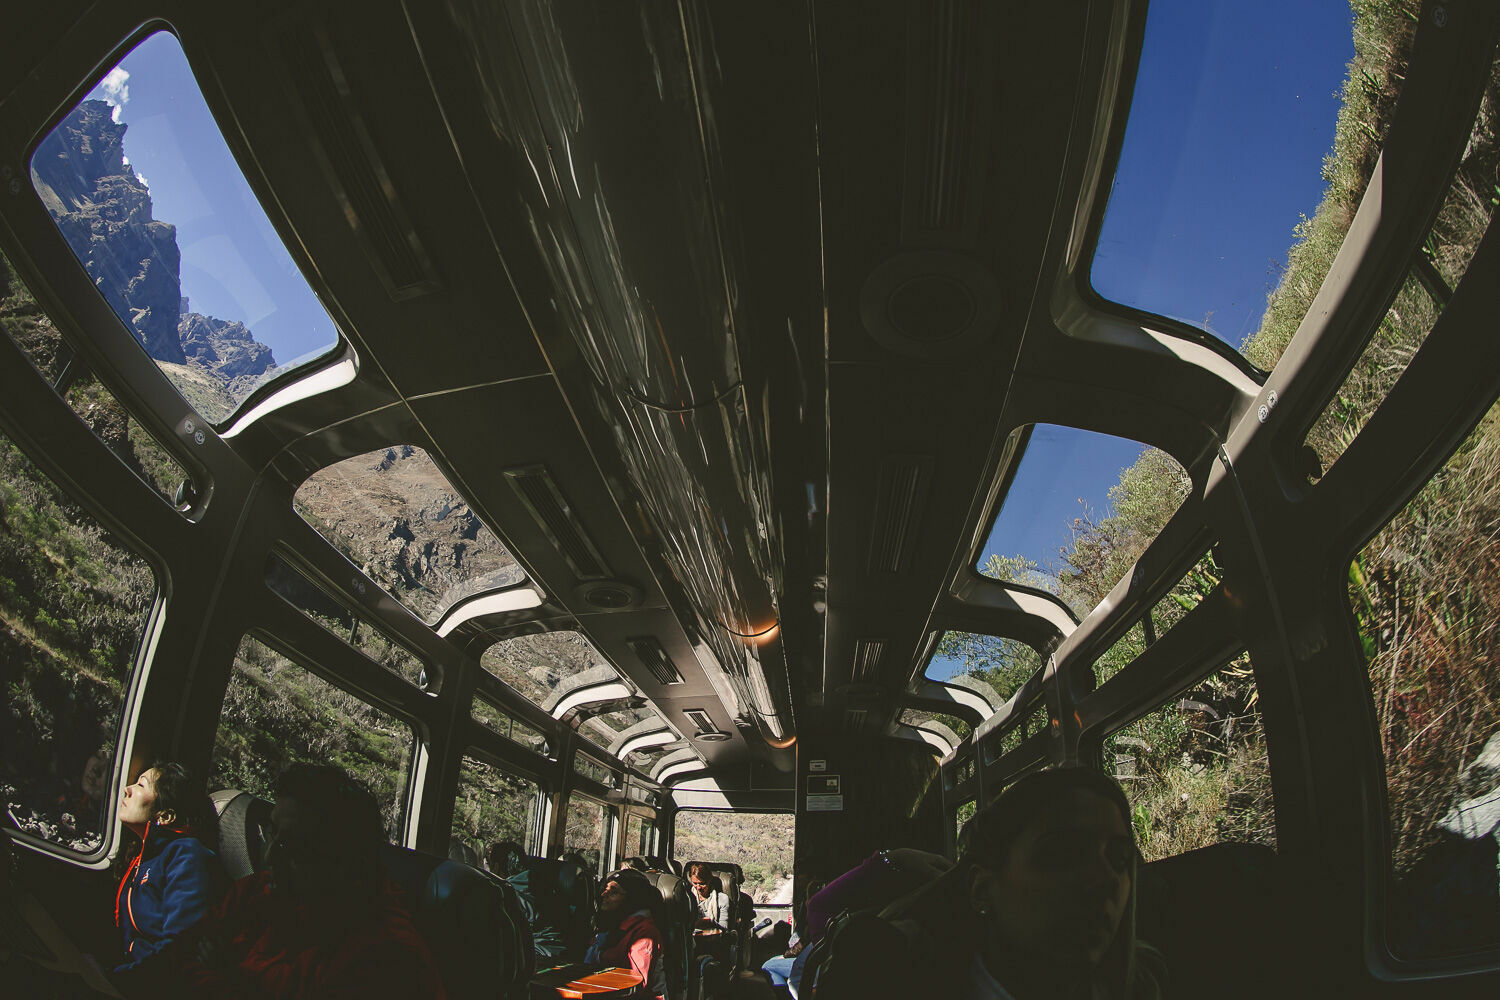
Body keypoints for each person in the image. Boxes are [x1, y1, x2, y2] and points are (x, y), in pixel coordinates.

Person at [815, 767, 1166, 1000]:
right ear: (982, 888)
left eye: (1120, 860)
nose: (1107, 879)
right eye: (1063, 853)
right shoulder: (886, 976)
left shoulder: (1145, 985)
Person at [118, 764, 447, 999]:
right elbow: (182, 955)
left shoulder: (385, 957)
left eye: (292, 846)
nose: (270, 857)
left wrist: (230, 976)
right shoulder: (259, 892)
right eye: (272, 834)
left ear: (343, 860)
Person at [112, 761, 224, 972]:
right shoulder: (144, 854)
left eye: (140, 785)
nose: (127, 790)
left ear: (165, 816)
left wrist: (118, 978)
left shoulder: (187, 855)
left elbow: (177, 949)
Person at [584, 867, 667, 1000]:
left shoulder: (645, 934)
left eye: (614, 892)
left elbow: (635, 986)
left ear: (631, 899)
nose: (604, 895)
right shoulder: (610, 926)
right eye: (605, 889)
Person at [686, 861, 732, 935]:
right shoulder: (686, 897)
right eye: (695, 883)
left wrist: (711, 922)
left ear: (709, 880)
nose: (698, 888)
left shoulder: (722, 899)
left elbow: (724, 928)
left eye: (702, 884)